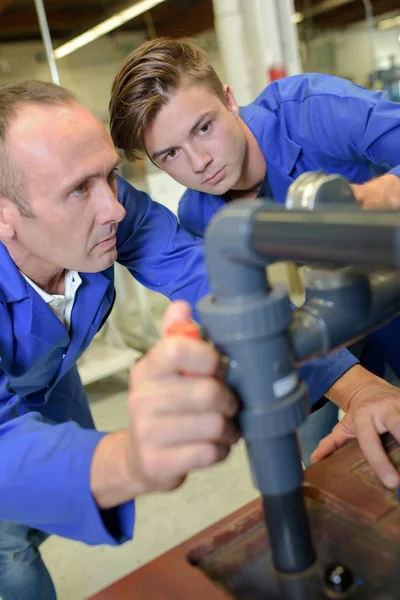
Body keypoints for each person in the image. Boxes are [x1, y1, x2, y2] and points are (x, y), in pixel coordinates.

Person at [0, 80, 399, 599]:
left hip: (53, 370)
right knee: (10, 541)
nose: (116, 209)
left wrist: (358, 389)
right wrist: (131, 460)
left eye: (112, 176)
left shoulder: (112, 212)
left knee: (60, 488)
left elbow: (213, 284)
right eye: (78, 189)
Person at [109, 35, 400, 464]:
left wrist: (375, 198)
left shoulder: (310, 109)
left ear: (229, 101)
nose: (199, 162)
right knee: (313, 444)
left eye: (203, 128)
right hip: (350, 302)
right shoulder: (202, 216)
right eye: (170, 153)